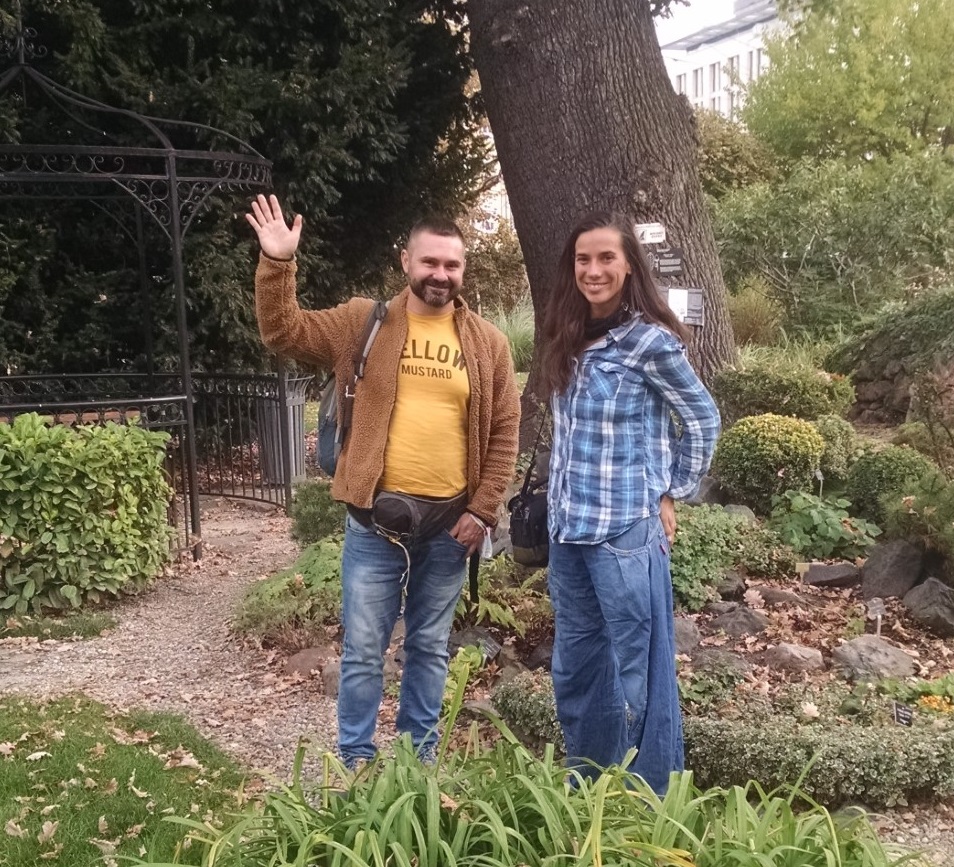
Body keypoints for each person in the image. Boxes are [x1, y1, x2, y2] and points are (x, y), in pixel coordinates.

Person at [246, 194, 520, 767]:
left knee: (429, 647)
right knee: (366, 650)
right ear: (405, 261)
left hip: (451, 526)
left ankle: (419, 760)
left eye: (452, 265)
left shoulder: (488, 344)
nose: (441, 275)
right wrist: (278, 265)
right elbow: (284, 332)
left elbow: (503, 434)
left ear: (462, 269)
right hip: (374, 522)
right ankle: (355, 761)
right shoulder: (361, 323)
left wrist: (483, 510)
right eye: (430, 263)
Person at [540, 212, 720, 796]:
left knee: (642, 675)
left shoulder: (650, 340)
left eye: (606, 259)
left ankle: (651, 798)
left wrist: (672, 489)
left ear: (627, 265)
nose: (593, 270)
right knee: (577, 668)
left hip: (624, 534)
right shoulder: (567, 333)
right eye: (583, 260)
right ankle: (589, 783)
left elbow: (701, 419)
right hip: (568, 531)